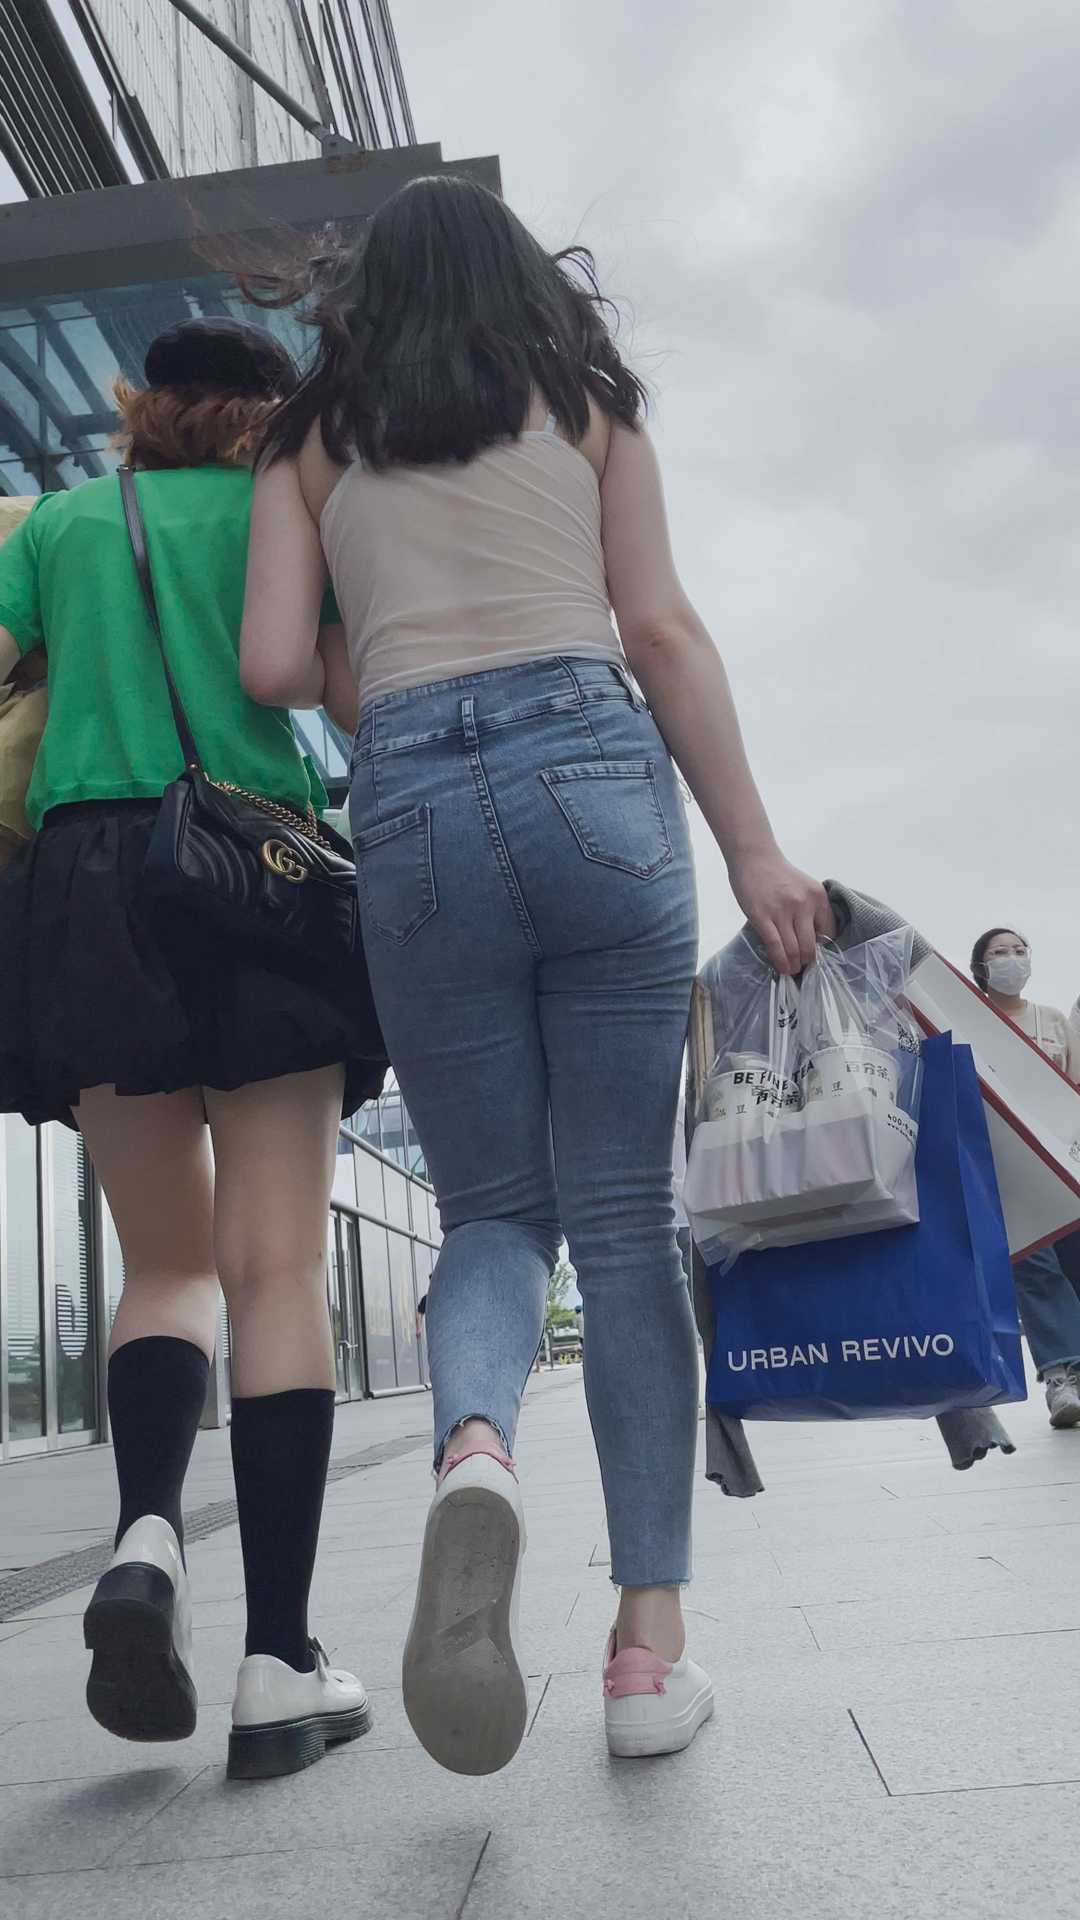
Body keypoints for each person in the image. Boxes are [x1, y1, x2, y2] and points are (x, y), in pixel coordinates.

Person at [239, 174, 833, 1775]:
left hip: (414, 803)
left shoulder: (309, 442)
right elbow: (661, 629)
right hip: (594, 774)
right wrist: (759, 851)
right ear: (523, 282)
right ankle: (645, 1658)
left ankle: (478, 1452)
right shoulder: (585, 405)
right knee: (627, 1227)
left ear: (363, 296)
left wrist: (396, 683)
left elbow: (273, 664)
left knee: (494, 1213)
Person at [0, 318, 386, 1780]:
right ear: (265, 416)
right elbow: (346, 693)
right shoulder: (293, 517)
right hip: (253, 873)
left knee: (163, 1264)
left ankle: (146, 1534)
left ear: (143, 405)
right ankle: (279, 1660)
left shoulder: (61, 526)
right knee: (274, 1267)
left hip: (89, 888)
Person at [971, 928, 1080, 1428]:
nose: (1011, 959)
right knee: (1035, 1269)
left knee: (1073, 1264)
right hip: (1004, 1170)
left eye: (1019, 951)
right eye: (1000, 953)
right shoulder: (966, 1019)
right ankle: (1061, 1377)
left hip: (1062, 1164)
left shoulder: (1053, 1021)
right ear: (981, 966)